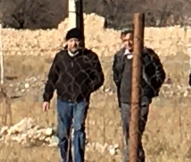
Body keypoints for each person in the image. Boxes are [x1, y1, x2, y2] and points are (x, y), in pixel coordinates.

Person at [42, 27, 106, 162]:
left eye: (77, 40)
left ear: (81, 42)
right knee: (62, 133)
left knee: (78, 131)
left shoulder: (89, 57)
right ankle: (65, 159)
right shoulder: (61, 57)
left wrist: (87, 89)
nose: (74, 44)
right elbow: (52, 77)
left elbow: (99, 78)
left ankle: (78, 160)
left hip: (80, 101)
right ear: (66, 42)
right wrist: (47, 98)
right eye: (71, 40)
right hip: (63, 100)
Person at [111, 27, 167, 162]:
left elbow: (160, 74)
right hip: (125, 99)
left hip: (142, 100)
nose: (128, 43)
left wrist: (151, 90)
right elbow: (116, 75)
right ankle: (135, 158)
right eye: (125, 41)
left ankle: (132, 158)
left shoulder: (148, 55)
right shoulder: (119, 57)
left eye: (131, 40)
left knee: (136, 132)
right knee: (127, 133)